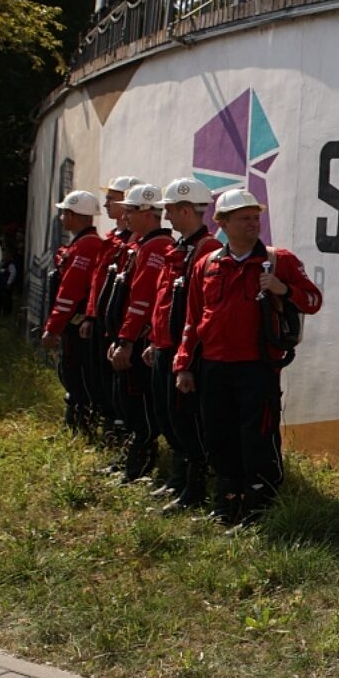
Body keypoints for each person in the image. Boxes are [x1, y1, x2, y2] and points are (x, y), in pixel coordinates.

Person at [175, 187, 321, 525]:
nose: (253, 223)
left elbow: (313, 300)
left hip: (258, 367)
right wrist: (184, 364)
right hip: (214, 367)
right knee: (219, 436)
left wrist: (284, 289)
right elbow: (193, 319)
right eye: (244, 218)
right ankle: (227, 503)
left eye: (256, 217)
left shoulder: (278, 260)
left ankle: (260, 505)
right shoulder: (207, 264)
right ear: (223, 223)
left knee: (257, 437)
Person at [145, 178, 221, 510]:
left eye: (170, 210)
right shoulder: (181, 247)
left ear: (186, 210)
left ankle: (195, 488)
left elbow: (197, 309)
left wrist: (185, 355)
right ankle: (179, 479)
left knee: (185, 420)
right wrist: (154, 340)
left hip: (184, 350)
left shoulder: (206, 249)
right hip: (165, 345)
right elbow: (164, 300)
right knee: (167, 416)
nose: (166, 216)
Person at [109, 183, 175, 481]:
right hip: (132, 336)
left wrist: (127, 340)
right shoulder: (144, 245)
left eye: (130, 211)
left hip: (140, 339)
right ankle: (133, 458)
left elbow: (142, 300)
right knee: (127, 398)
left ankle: (141, 463)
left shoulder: (156, 247)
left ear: (148, 214)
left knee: (139, 400)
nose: (124, 216)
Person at [82, 177, 142, 451]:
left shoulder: (136, 242)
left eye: (112, 198)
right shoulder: (113, 239)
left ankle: (124, 438)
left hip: (121, 324)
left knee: (121, 385)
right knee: (101, 379)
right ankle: (108, 430)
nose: (106, 204)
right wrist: (91, 315)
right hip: (103, 320)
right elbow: (98, 283)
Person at [41, 191, 104, 435]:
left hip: (75, 326)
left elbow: (70, 291)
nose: (61, 218)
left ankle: (80, 427)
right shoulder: (82, 243)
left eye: (64, 213)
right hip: (73, 324)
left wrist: (53, 328)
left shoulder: (86, 246)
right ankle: (74, 424)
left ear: (74, 215)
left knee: (75, 373)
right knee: (71, 373)